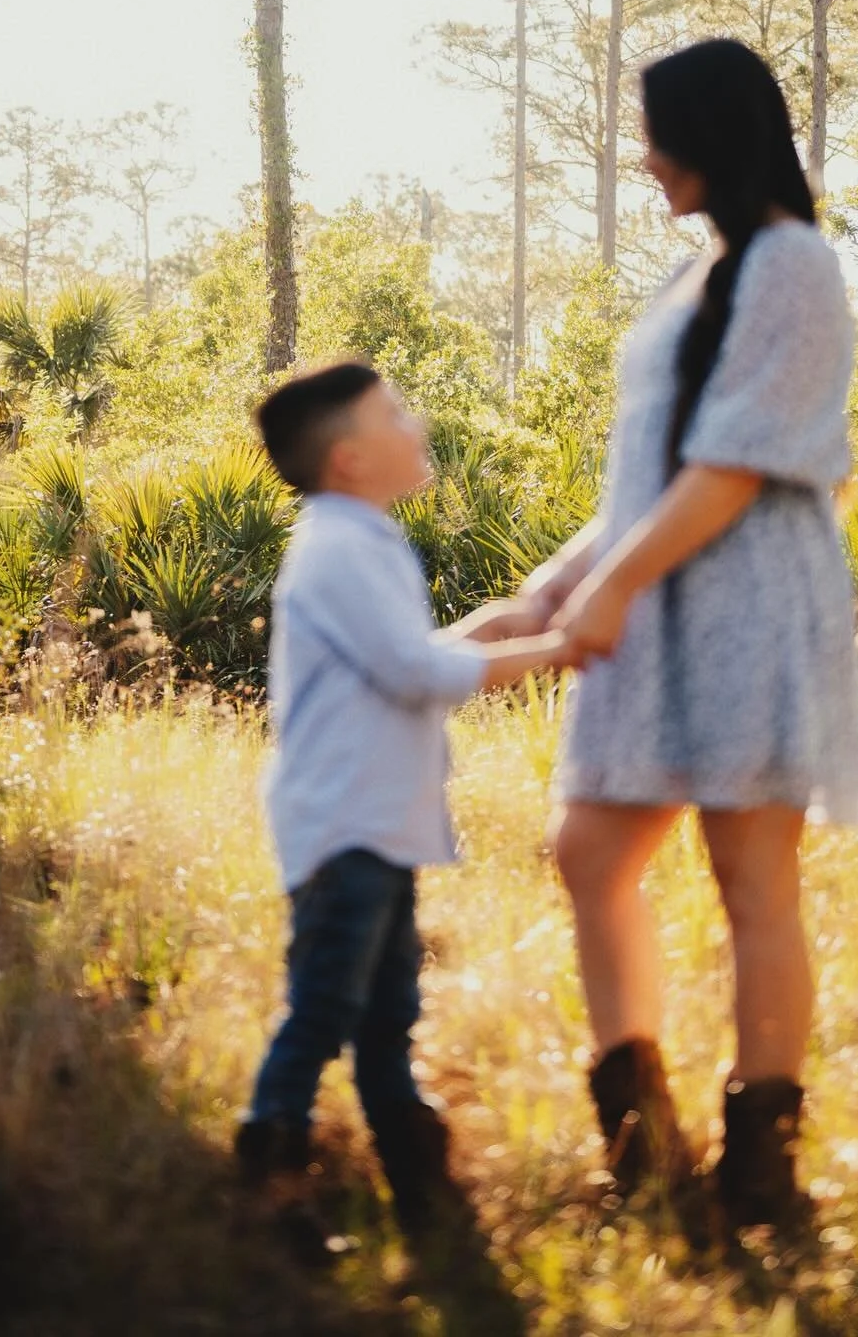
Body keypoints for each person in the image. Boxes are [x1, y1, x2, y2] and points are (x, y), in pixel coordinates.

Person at [515, 38, 858, 1233]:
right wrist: (560, 582)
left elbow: (735, 466)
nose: (645, 156)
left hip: (748, 606)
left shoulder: (794, 263)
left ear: (711, 134)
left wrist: (611, 586)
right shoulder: (693, 276)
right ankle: (643, 1149)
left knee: (750, 879)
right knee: (589, 852)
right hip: (656, 599)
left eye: (657, 133)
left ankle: (761, 1172)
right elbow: (652, 470)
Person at [236, 361, 572, 1254]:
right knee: (324, 1009)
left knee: (387, 1018)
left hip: (377, 823)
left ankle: (420, 1191)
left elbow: (398, 656)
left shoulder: (360, 537)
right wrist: (554, 649)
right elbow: (413, 673)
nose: (415, 426)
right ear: (348, 458)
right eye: (395, 415)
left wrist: (489, 628)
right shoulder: (339, 546)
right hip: (346, 823)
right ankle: (270, 1174)